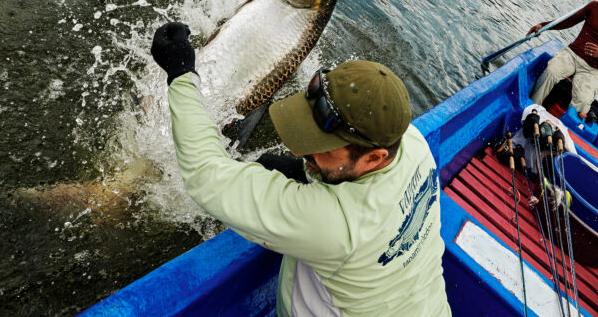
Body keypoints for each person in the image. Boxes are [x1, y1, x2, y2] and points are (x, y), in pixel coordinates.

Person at [150, 22, 451, 317]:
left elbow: (205, 174)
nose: (298, 150)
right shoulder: (413, 145)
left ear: (373, 158)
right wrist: (305, 169)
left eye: (323, 146)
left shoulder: (334, 227)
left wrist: (181, 74)